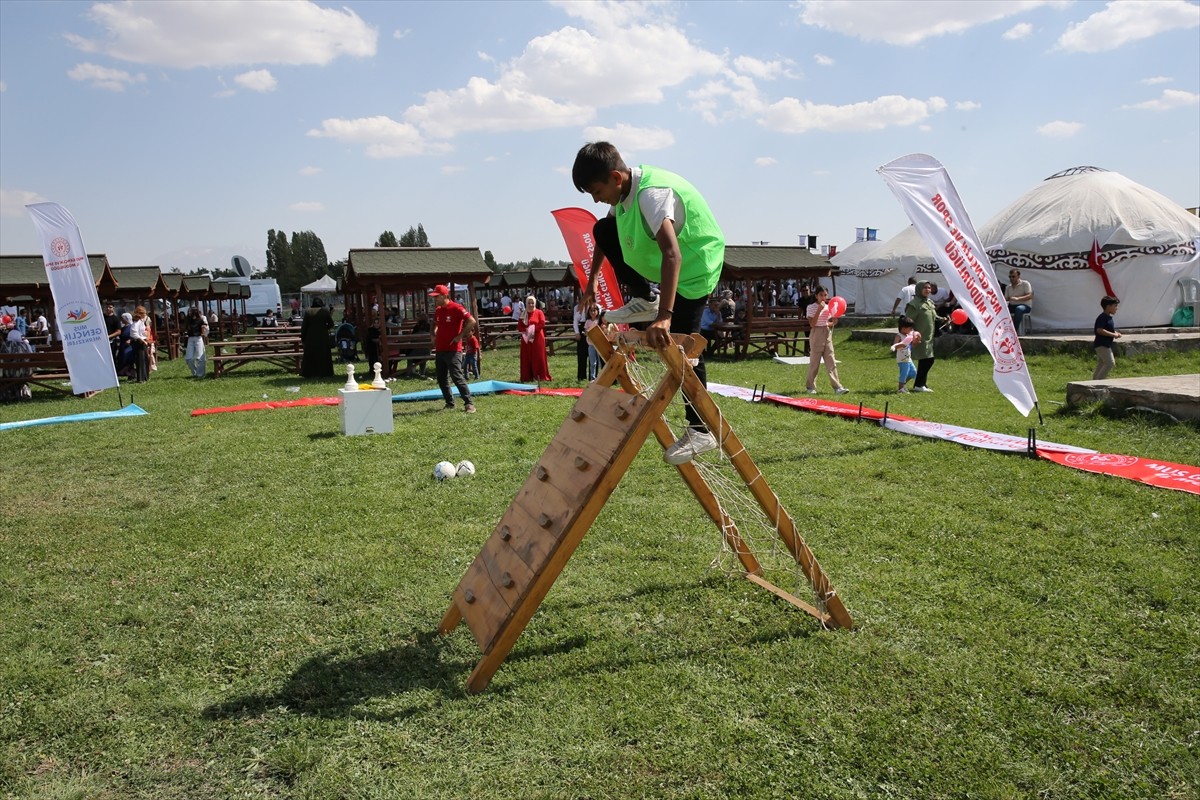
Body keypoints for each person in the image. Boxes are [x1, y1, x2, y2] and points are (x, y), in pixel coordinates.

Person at [572, 140, 724, 465]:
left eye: (596, 191)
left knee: (684, 343)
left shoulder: (650, 195)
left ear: (615, 177)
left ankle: (702, 429)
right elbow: (604, 237)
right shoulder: (623, 193)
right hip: (670, 267)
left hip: (696, 265)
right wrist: (590, 283)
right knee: (603, 228)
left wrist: (665, 317)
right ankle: (643, 298)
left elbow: (673, 253)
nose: (596, 199)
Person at [429, 284, 475, 413]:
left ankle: (469, 403)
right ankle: (449, 403)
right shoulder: (438, 310)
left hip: (454, 349)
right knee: (441, 377)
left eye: (436, 297)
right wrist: (433, 335)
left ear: (444, 296)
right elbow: (434, 323)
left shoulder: (456, 308)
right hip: (440, 349)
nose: (435, 299)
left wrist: (460, 335)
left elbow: (471, 321)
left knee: (456, 376)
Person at [804, 286, 849, 395]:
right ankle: (810, 386)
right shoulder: (811, 307)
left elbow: (826, 323)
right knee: (815, 362)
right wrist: (819, 309)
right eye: (821, 295)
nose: (823, 297)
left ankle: (837, 387)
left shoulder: (829, 307)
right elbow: (812, 324)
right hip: (816, 334)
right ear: (816, 296)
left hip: (826, 333)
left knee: (831, 360)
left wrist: (833, 322)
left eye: (825, 295)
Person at [905, 280, 942, 392]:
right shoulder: (914, 304)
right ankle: (918, 385)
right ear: (919, 289)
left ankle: (921, 385)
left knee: (925, 360)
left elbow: (934, 316)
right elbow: (908, 321)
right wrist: (912, 334)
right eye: (925, 288)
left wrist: (944, 319)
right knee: (927, 360)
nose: (928, 290)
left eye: (929, 288)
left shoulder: (929, 302)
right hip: (919, 337)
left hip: (928, 337)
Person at [518, 294, 552, 382]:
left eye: (532, 303)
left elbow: (542, 323)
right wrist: (526, 331)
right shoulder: (523, 313)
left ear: (535, 303)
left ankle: (540, 376)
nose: (531, 305)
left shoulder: (539, 312)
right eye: (529, 303)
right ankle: (527, 376)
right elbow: (519, 326)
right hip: (526, 339)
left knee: (538, 357)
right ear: (526, 303)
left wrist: (532, 330)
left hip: (537, 338)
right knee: (527, 357)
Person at [299, 298, 334, 378]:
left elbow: (304, 327)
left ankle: (309, 373)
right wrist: (325, 328)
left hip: (310, 337)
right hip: (323, 337)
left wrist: (303, 337)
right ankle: (326, 372)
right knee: (324, 355)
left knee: (310, 355)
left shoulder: (308, 312)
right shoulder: (325, 311)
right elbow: (331, 324)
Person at [1092, 295, 1122, 380]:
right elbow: (1100, 330)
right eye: (1115, 306)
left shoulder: (1108, 318)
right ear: (1108, 306)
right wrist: (1113, 335)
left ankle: (1093, 381)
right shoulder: (1102, 317)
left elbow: (1107, 330)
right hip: (1102, 344)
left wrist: (1116, 333)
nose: (1117, 308)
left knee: (1102, 363)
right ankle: (1098, 383)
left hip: (1104, 344)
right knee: (1110, 363)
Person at [890, 316, 919, 393]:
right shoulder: (899, 336)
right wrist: (901, 345)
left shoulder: (908, 336)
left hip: (908, 358)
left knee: (913, 372)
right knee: (904, 373)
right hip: (902, 359)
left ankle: (902, 385)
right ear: (903, 328)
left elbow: (910, 346)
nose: (911, 330)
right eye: (910, 328)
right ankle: (900, 388)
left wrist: (915, 342)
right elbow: (895, 346)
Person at [184, 306, 209, 378]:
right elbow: (186, 329)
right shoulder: (188, 320)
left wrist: (204, 330)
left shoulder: (200, 320)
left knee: (200, 357)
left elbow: (205, 327)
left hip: (198, 338)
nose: (189, 312)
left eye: (190, 311)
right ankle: (195, 372)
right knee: (189, 358)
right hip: (190, 339)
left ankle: (200, 374)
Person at [572, 293, 589, 382]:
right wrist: (577, 333)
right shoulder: (577, 308)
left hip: (591, 326)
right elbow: (575, 321)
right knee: (581, 354)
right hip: (581, 327)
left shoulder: (592, 306)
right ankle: (581, 376)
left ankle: (592, 376)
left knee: (592, 354)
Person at [584, 304, 604, 381]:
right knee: (593, 362)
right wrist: (587, 332)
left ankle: (600, 376)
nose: (592, 312)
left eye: (594, 310)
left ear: (598, 311)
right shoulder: (588, 321)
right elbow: (586, 331)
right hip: (591, 344)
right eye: (591, 311)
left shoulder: (599, 321)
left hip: (599, 344)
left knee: (600, 361)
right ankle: (592, 376)